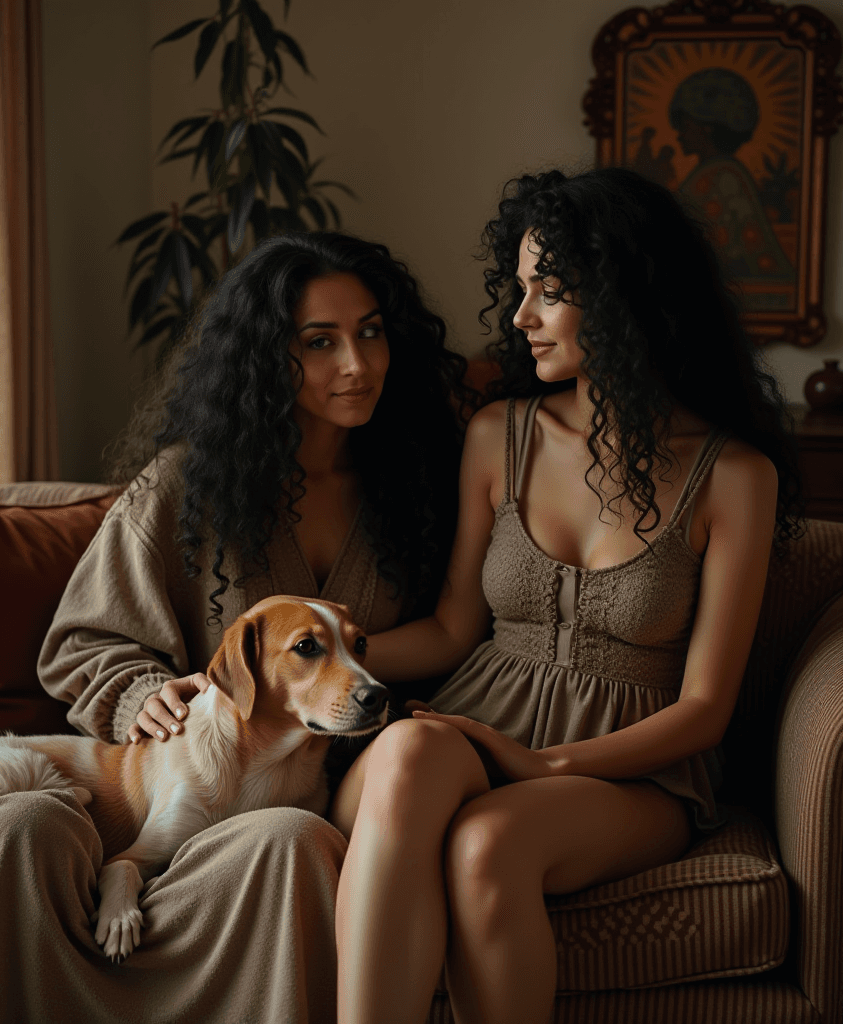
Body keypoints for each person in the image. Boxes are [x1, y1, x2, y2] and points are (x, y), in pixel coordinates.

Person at [0, 232, 471, 1024]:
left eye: (371, 332)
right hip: (205, 774)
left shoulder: (425, 488)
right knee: (34, 830)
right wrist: (140, 696)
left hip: (356, 780)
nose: (357, 365)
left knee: (291, 843)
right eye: (319, 342)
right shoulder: (186, 488)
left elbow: (458, 632)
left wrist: (348, 674)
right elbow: (81, 641)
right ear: (267, 357)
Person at [328, 167, 803, 1024]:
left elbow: (704, 709)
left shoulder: (735, 477)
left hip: (631, 772)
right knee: (410, 751)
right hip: (478, 721)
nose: (520, 318)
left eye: (550, 290)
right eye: (519, 289)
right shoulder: (496, 434)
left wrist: (548, 765)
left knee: (489, 843)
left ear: (626, 298)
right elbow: (447, 632)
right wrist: (314, 662)